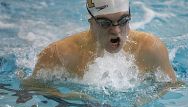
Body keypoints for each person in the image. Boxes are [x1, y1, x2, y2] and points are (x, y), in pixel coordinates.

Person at [32, 0, 177, 82]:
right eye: (105, 23)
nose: (116, 30)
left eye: (123, 20)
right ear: (91, 22)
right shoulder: (59, 54)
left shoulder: (151, 48)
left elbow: (171, 86)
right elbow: (32, 89)